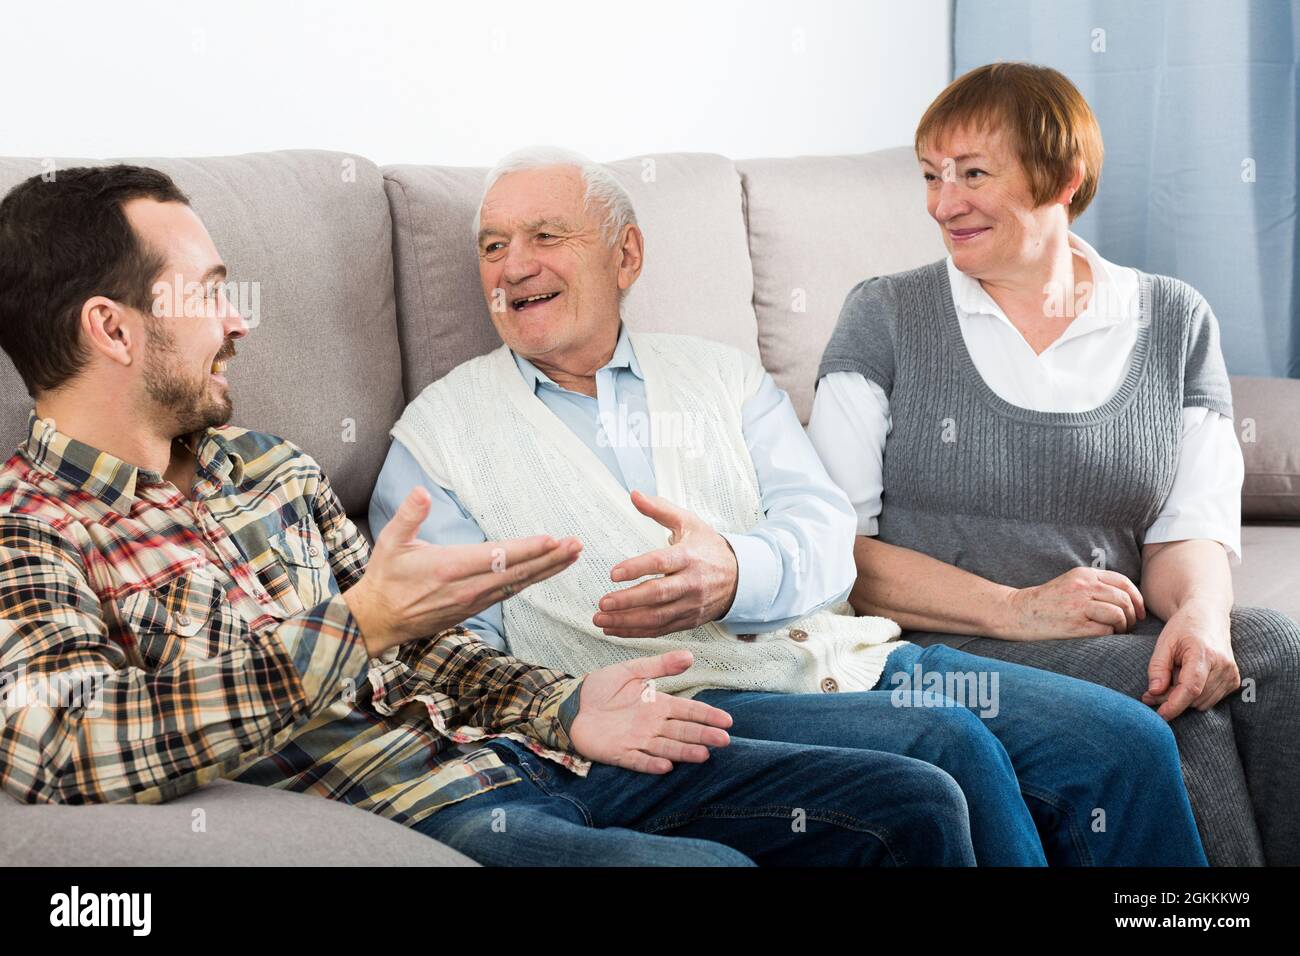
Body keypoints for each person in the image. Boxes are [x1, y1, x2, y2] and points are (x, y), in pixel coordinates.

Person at [0, 164, 982, 868]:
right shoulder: (32, 528)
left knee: (913, 799)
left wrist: (561, 704)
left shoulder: (268, 466)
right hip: (406, 802)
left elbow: (422, 651)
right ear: (113, 327)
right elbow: (61, 744)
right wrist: (355, 627)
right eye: (212, 293)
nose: (241, 319)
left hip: (522, 752)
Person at [371, 146, 1207, 866]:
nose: (514, 265)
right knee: (949, 746)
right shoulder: (438, 437)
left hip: (861, 660)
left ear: (625, 255)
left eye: (546, 236)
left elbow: (824, 535)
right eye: (493, 245)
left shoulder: (723, 375)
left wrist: (735, 573)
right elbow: (441, 654)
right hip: (683, 703)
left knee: (1122, 744)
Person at [810, 61, 1300, 866]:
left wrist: (1200, 617)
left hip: (1108, 624)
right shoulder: (887, 314)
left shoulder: (1173, 318)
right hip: (950, 636)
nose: (942, 203)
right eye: (932, 176)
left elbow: (1189, 530)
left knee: (1271, 648)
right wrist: (1019, 607)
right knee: (1175, 702)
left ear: (1064, 178)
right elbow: (833, 553)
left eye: (973, 174)